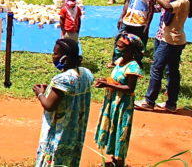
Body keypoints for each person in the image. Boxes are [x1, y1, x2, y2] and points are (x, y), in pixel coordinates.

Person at [136, 0, 192, 113]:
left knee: (157, 68)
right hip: (164, 37)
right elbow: (162, 0)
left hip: (170, 41)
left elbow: (167, 6)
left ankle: (149, 101)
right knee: (172, 71)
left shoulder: (183, 0)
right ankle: (171, 104)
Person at [33, 38, 93, 167]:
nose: (53, 56)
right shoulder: (86, 73)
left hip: (59, 133)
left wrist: (40, 93)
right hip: (76, 131)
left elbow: (49, 105)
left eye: (55, 53)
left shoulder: (63, 79)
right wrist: (50, 89)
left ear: (64, 59)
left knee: (54, 160)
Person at [95, 33, 144, 167]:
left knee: (121, 131)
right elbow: (116, 80)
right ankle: (115, 161)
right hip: (113, 102)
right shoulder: (119, 61)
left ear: (131, 51)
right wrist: (105, 81)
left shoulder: (133, 67)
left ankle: (120, 163)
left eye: (120, 47)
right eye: (117, 45)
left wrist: (108, 85)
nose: (117, 49)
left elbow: (129, 88)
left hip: (123, 105)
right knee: (113, 128)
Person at [110, 0, 154, 65]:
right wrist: (122, 17)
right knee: (120, 40)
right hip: (127, 20)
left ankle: (137, 63)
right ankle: (115, 61)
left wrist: (147, 25)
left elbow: (151, 9)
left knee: (138, 45)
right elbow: (128, 1)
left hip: (139, 23)